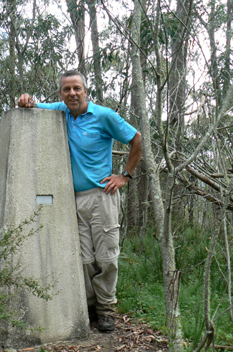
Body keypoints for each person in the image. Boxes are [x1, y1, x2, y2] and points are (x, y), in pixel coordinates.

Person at [18, 70, 142, 332]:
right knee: (84, 258)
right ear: (61, 94)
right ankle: (90, 307)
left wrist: (125, 176)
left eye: (77, 88)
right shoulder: (61, 112)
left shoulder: (103, 116)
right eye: (66, 90)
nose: (72, 94)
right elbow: (33, 104)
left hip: (102, 196)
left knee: (106, 256)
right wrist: (26, 99)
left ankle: (107, 309)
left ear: (86, 90)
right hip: (73, 199)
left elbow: (136, 138)